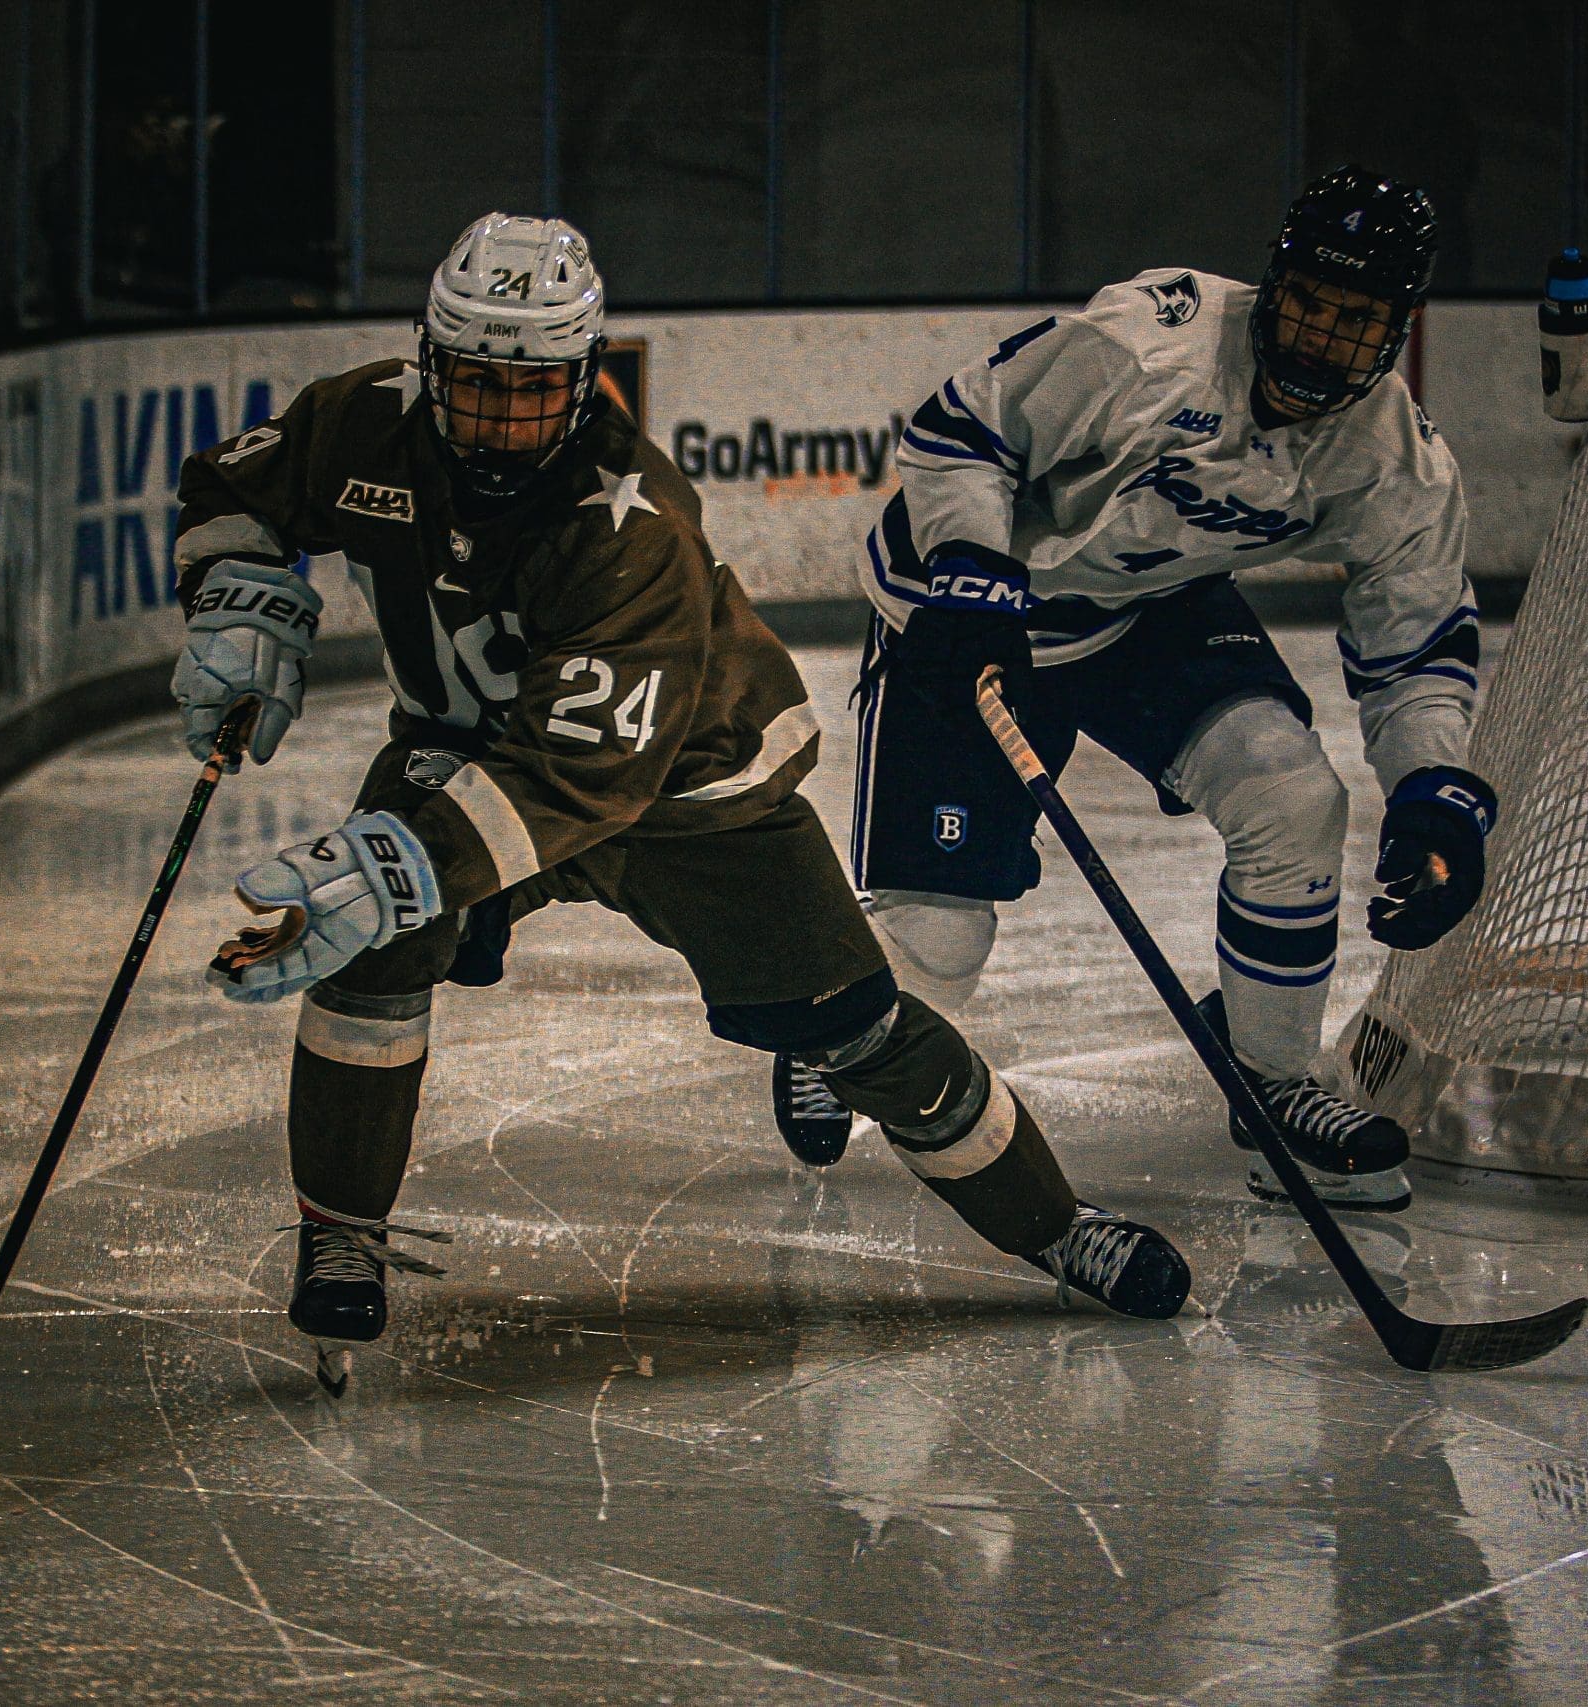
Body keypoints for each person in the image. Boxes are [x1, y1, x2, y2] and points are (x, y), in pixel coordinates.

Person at [167, 212, 1192, 1351]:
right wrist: (237, 588)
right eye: (477, 384)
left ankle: (1054, 1226)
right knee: (372, 948)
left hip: (689, 793)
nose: (504, 422)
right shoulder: (362, 423)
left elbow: (580, 774)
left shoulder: (631, 523)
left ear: (584, 375)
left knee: (857, 1029)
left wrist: (402, 861)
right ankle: (341, 1229)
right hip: (468, 747)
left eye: (535, 390)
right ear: (427, 360)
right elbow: (232, 485)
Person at [772, 168, 1496, 1215]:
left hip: (1145, 605)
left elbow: (1416, 645)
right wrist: (972, 574)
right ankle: (825, 1018)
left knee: (1294, 800)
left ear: (1396, 331)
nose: (1319, 339)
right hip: (972, 605)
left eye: (1356, 322)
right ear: (1275, 283)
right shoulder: (1148, 344)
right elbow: (957, 431)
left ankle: (1272, 1084)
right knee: (941, 943)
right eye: (1310, 304)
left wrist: (1432, 785)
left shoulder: (1395, 461)